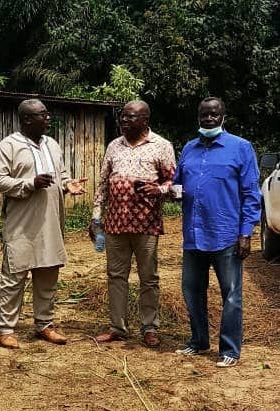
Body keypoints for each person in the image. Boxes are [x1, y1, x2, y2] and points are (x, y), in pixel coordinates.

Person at [0, 99, 86, 349]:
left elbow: (61, 174)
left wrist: (68, 184)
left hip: (50, 222)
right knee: (14, 276)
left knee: (48, 274)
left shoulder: (52, 144)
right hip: (21, 224)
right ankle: (7, 329)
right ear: (27, 120)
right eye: (42, 115)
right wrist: (29, 184)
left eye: (47, 114)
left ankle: (44, 324)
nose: (48, 118)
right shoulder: (9, 146)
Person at [174, 97, 260, 367]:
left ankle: (230, 350)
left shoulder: (241, 148)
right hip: (194, 234)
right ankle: (199, 341)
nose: (209, 119)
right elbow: (178, 184)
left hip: (226, 235)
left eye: (214, 114)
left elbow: (251, 194)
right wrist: (172, 191)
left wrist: (246, 233)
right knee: (191, 290)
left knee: (231, 294)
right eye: (204, 114)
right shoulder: (189, 148)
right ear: (198, 117)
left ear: (223, 117)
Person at [91, 100, 176, 347]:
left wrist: (159, 189)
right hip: (115, 223)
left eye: (130, 117)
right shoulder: (114, 146)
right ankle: (117, 327)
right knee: (116, 276)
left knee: (148, 277)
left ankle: (149, 328)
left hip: (146, 224)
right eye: (123, 117)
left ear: (145, 121)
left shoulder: (161, 146)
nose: (124, 121)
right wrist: (96, 217)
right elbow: (103, 184)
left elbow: (174, 182)